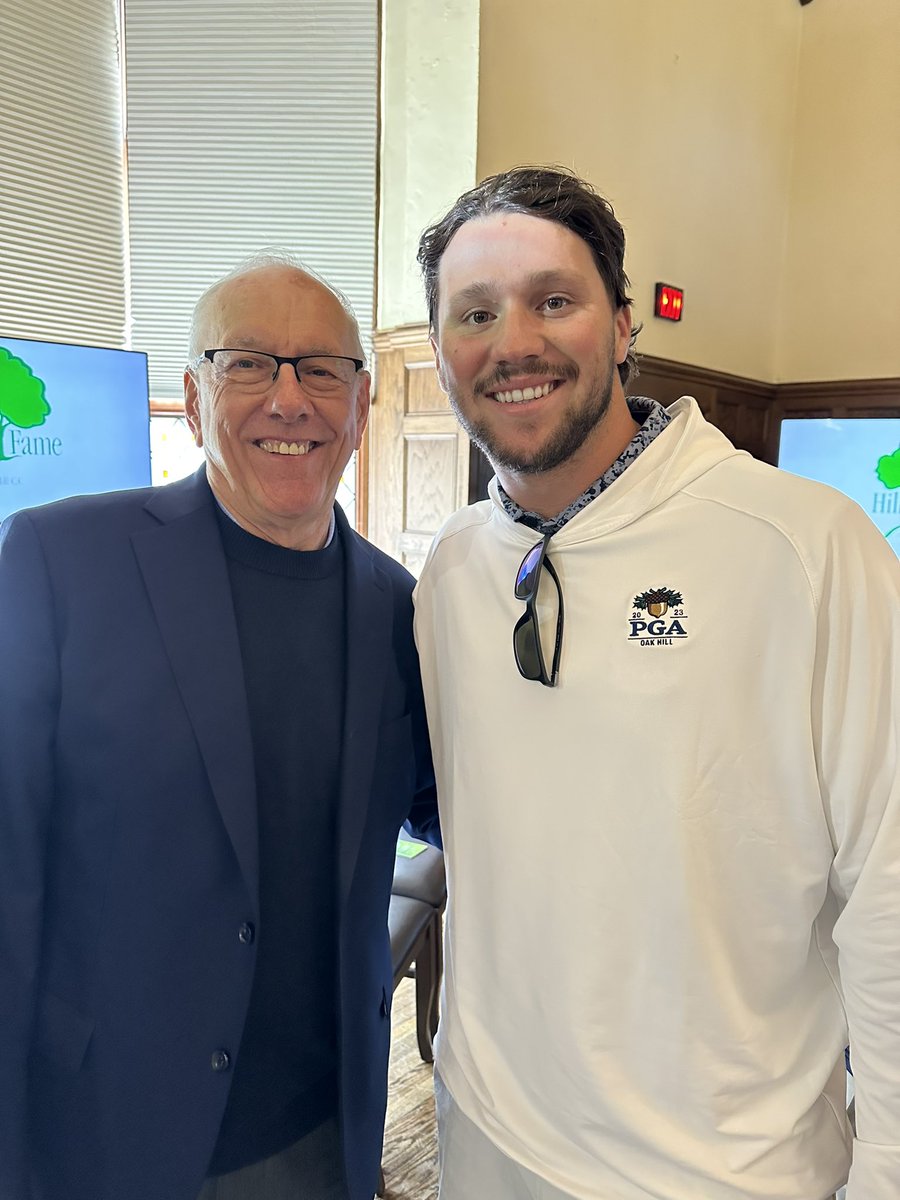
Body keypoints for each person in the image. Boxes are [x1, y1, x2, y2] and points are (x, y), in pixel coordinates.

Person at [413, 166, 900, 1200]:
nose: (514, 343)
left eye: (555, 299)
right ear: (444, 352)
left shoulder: (806, 547)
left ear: (624, 324)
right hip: (485, 1137)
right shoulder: (450, 570)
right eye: (476, 313)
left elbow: (889, 890)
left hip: (719, 1172)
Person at [0, 253, 437, 1200]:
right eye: (247, 364)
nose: (289, 398)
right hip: (106, 1130)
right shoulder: (61, 561)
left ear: (361, 409)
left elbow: (463, 807)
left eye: (320, 368)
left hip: (325, 1131)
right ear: (194, 401)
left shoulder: (399, 609)